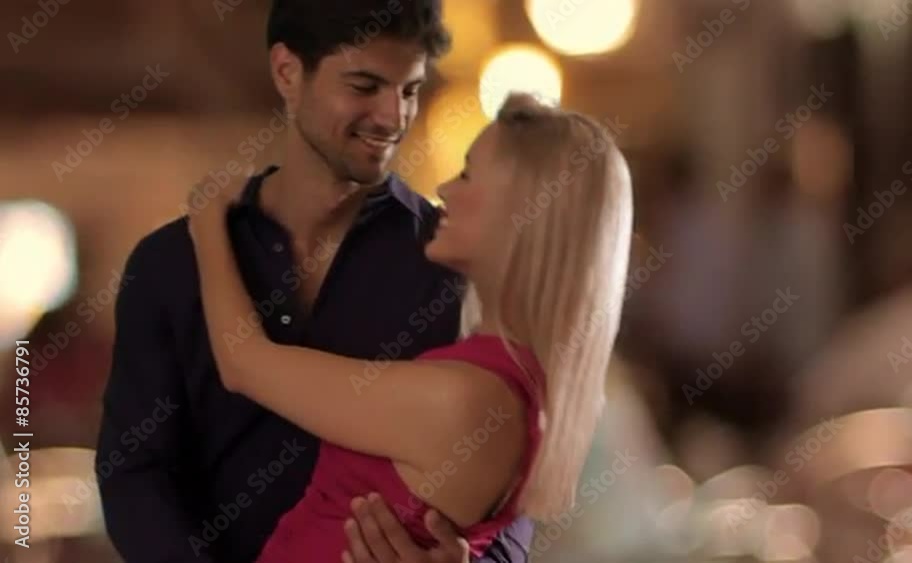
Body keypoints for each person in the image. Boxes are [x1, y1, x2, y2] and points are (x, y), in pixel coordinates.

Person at [96, 1, 535, 562]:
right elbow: (134, 471)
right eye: (364, 86)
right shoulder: (170, 263)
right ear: (287, 72)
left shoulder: (457, 268)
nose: (393, 117)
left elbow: (512, 482)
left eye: (409, 90)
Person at [185, 90, 634, 561]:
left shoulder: (465, 397)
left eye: (467, 174)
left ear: (521, 210)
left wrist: (208, 219)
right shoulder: (508, 382)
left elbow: (243, 363)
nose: (445, 189)